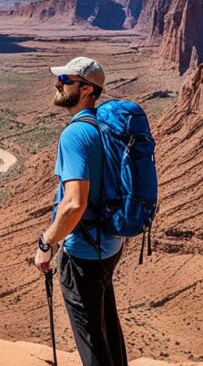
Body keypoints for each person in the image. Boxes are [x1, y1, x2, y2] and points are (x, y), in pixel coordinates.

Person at [34, 56, 127, 366]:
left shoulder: (75, 134)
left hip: (85, 250)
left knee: (91, 340)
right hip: (110, 243)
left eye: (65, 80)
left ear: (87, 90)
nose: (57, 84)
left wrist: (46, 243)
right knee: (107, 327)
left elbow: (74, 203)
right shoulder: (107, 128)